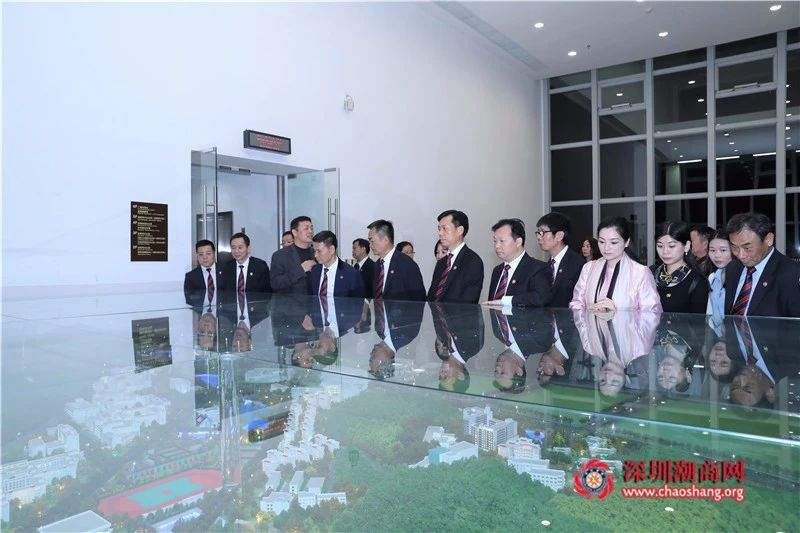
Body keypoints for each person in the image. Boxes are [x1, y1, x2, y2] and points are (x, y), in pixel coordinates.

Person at [570, 217, 662, 313]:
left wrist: (617, 313)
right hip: (591, 323)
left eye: (613, 242)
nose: (606, 247)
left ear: (626, 242)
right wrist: (588, 313)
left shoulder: (640, 273)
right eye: (601, 241)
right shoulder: (589, 268)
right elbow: (577, 303)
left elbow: (652, 314)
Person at [724, 212, 800, 318]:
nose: (740, 255)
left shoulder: (792, 274)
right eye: (734, 247)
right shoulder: (733, 268)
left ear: (768, 240)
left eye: (747, 248)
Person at [482, 218, 551, 307]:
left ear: (518, 242)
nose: (497, 246)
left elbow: (540, 298)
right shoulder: (497, 270)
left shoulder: (538, 268)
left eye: (502, 241)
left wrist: (505, 301)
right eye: (495, 241)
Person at [651, 221, 709, 313]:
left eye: (671, 246)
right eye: (660, 246)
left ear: (686, 246)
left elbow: (697, 320)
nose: (665, 251)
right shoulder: (650, 273)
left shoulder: (696, 281)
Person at [427, 210, 484, 304]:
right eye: (439, 229)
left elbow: (469, 300)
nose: (440, 233)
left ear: (460, 230)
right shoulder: (441, 262)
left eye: (445, 229)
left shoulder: (472, 261)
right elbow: (431, 296)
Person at [430, 302, 484, 393]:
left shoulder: (441, 351)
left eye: (440, 377)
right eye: (446, 377)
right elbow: (471, 309)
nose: (442, 373)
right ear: (460, 376)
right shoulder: (473, 347)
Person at [367, 219, 426, 301]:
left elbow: (418, 300)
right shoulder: (377, 265)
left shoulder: (407, 265)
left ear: (385, 239)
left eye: (372, 241)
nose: (370, 245)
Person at [536, 212, 584, 307]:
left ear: (559, 236)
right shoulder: (546, 266)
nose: (538, 237)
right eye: (538, 232)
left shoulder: (578, 264)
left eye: (543, 232)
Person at [308, 231, 365, 298]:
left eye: (319, 251)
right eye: (314, 251)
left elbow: (358, 302)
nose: (315, 255)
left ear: (332, 249)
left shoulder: (351, 274)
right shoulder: (315, 271)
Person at [270, 216, 316, 294]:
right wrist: (301, 270)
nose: (310, 231)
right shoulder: (280, 255)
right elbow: (275, 283)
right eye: (306, 228)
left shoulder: (317, 253)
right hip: (290, 301)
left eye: (311, 228)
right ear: (295, 232)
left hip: (316, 300)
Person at [220, 232, 272, 297]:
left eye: (240, 247)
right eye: (233, 248)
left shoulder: (260, 266)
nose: (236, 251)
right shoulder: (227, 267)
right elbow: (224, 293)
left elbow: (267, 293)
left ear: (248, 248)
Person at [184, 239, 222, 306]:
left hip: (223, 310)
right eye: (201, 254)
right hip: (202, 311)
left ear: (214, 254)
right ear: (197, 256)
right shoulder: (190, 276)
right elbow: (189, 299)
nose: (205, 257)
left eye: (208, 253)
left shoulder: (226, 270)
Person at [706, 230, 734, 317]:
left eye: (723, 250)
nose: (717, 255)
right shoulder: (712, 277)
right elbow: (710, 312)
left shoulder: (743, 278)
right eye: (712, 250)